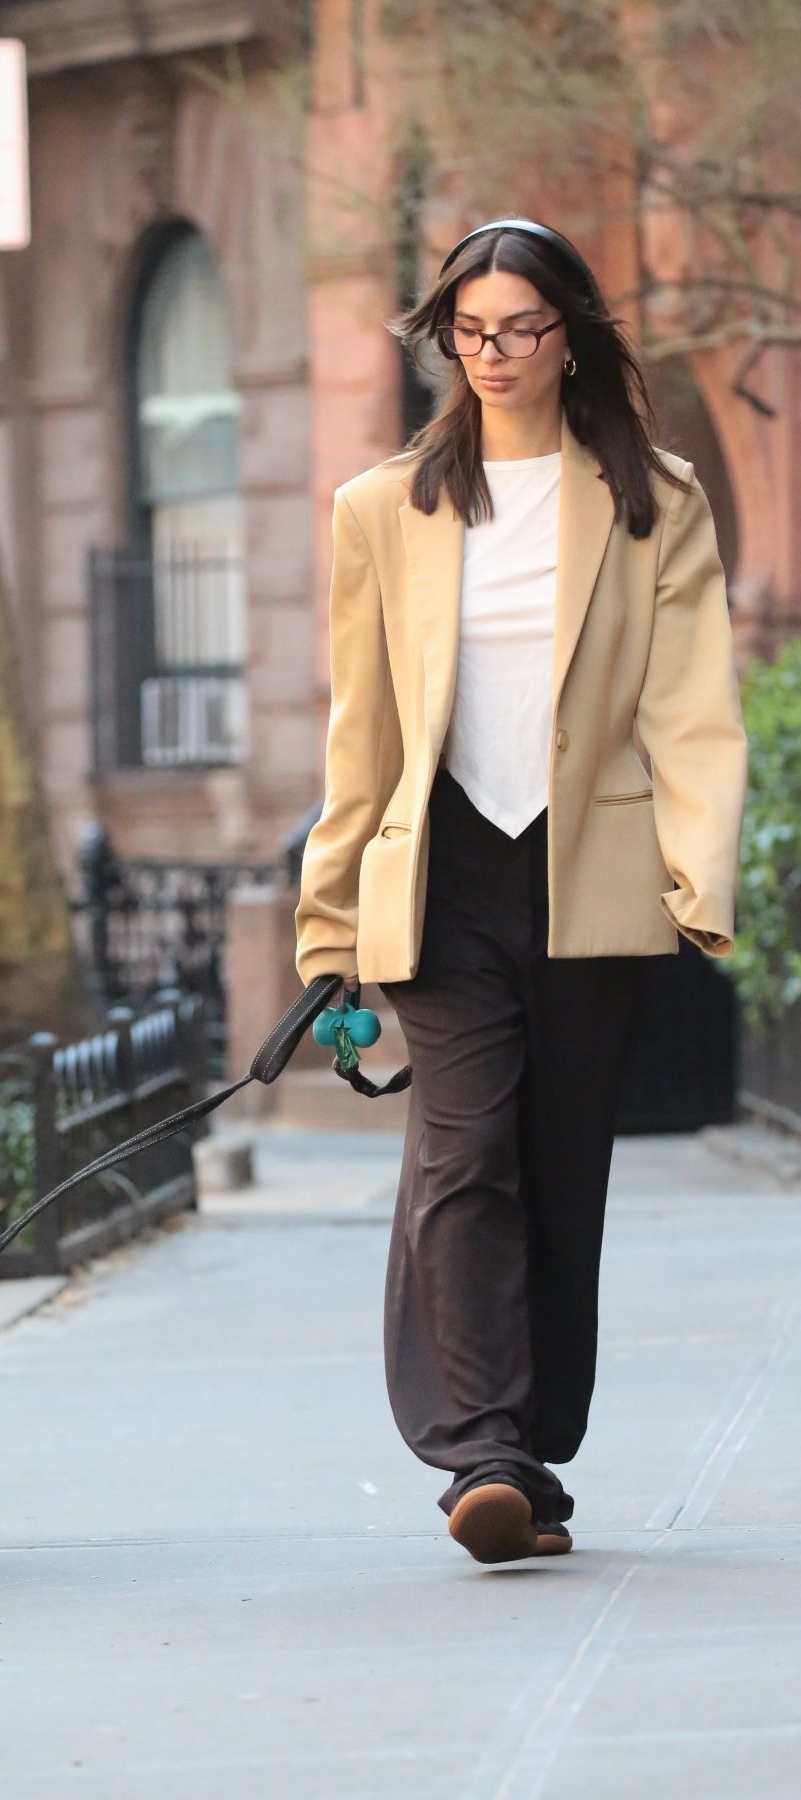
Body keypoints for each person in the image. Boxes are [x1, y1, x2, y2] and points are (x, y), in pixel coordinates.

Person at [293, 217, 748, 1565]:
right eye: (470, 331)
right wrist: (330, 921)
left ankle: (532, 1449)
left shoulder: (651, 497)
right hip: (442, 872)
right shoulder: (385, 508)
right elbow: (360, 731)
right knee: (463, 1147)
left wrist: (697, 874)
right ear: (447, 339)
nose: (494, 354)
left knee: (558, 1165)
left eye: (521, 329)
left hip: (587, 871)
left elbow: (693, 701)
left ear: (572, 335)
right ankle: (480, 1447)